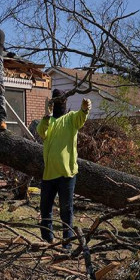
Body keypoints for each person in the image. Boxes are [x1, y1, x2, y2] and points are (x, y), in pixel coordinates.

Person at [36, 89, 92, 250]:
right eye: (57, 102)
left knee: (66, 210)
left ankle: (67, 243)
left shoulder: (71, 118)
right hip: (49, 174)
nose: (59, 104)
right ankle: (48, 239)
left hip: (67, 173)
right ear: (52, 103)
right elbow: (41, 132)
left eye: (62, 101)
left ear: (65, 103)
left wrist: (85, 108)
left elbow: (81, 118)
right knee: (45, 208)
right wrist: (46, 116)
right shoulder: (48, 121)